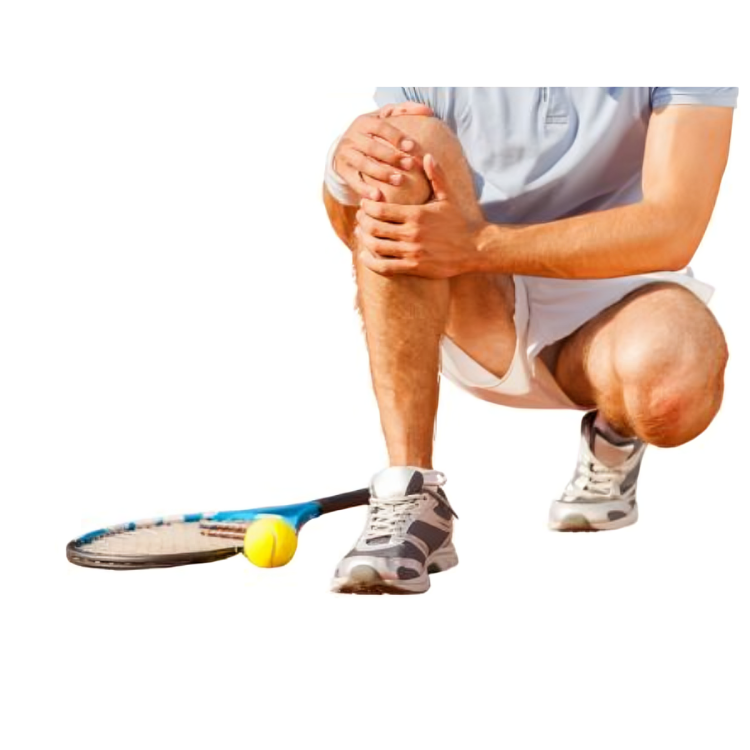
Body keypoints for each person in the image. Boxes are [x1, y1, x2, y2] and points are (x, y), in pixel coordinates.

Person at [322, 87, 738, 595]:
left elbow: (675, 228)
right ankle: (410, 492)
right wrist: (344, 173)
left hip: (617, 293)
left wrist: (479, 245)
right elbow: (363, 231)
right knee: (404, 143)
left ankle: (613, 435)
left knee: (674, 393)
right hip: (469, 300)